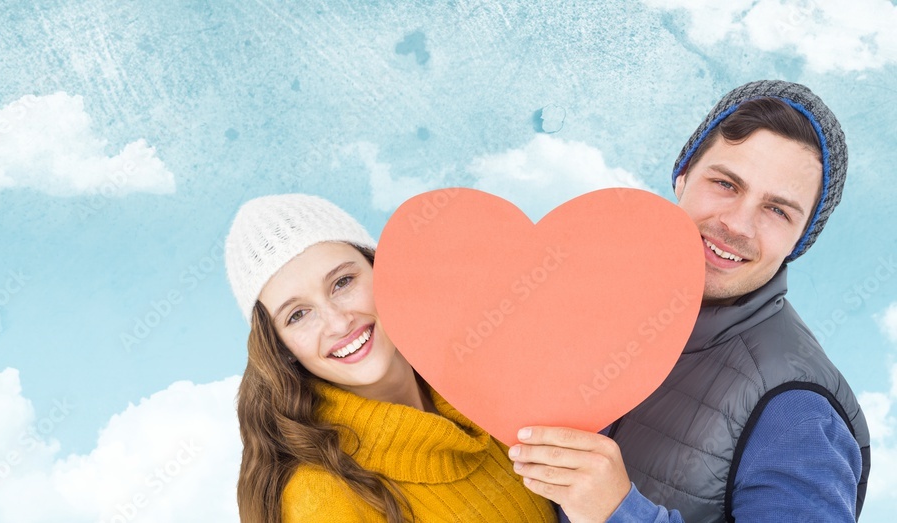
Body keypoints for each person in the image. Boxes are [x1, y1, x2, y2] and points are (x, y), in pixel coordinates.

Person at [510, 80, 871, 522]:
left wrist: (619, 512)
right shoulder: (580, 302)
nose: (737, 224)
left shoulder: (797, 410)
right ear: (682, 176)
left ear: (801, 240)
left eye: (777, 210)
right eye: (725, 183)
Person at [225, 194, 556, 522]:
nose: (339, 322)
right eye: (297, 315)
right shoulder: (321, 501)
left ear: (380, 269)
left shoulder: (496, 396)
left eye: (342, 282)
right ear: (281, 348)